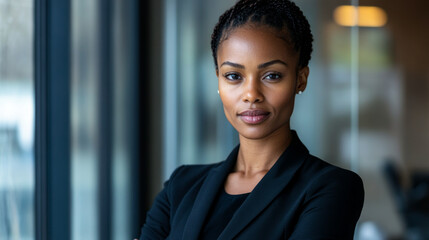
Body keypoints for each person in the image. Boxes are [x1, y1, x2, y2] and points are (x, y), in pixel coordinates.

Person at [139, 0, 364, 239]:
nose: (251, 95)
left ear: (300, 79)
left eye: (272, 75)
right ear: (218, 80)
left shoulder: (331, 188)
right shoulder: (181, 186)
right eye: (234, 76)